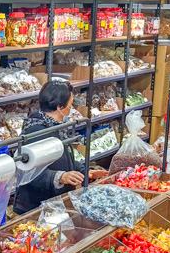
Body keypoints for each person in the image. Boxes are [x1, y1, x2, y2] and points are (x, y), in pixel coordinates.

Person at [14, 79, 105, 214]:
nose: (71, 109)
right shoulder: (37, 131)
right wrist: (58, 177)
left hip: (55, 203)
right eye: (70, 105)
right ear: (59, 107)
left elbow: (64, 158)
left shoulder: (56, 127)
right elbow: (27, 172)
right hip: (36, 207)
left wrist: (84, 171)